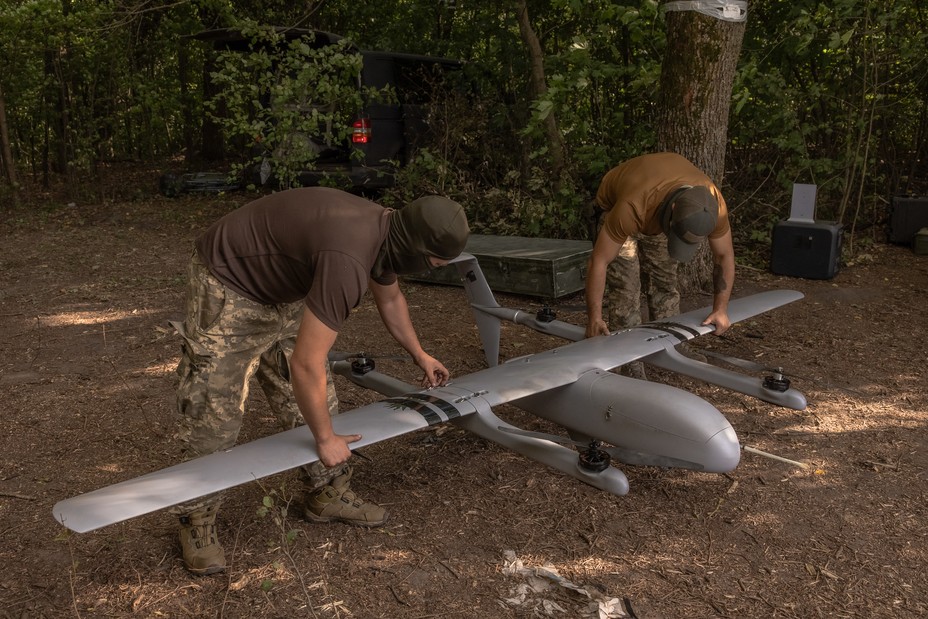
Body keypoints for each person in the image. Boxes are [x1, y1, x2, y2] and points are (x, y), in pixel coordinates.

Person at [170, 187, 469, 575]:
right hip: (230, 280)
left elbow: (391, 299)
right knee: (214, 411)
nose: (436, 268)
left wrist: (420, 354)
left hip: (282, 283)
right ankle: (197, 520)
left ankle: (325, 491)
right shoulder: (348, 258)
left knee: (316, 401)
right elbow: (305, 364)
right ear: (414, 248)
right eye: (435, 262)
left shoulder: (387, 235)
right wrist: (325, 440)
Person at [585, 152, 735, 354]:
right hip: (620, 206)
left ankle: (672, 346)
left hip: (660, 209)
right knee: (626, 290)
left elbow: (724, 256)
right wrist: (594, 318)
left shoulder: (712, 205)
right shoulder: (631, 207)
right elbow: (599, 260)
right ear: (673, 210)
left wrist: (721, 309)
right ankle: (629, 357)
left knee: (664, 284)